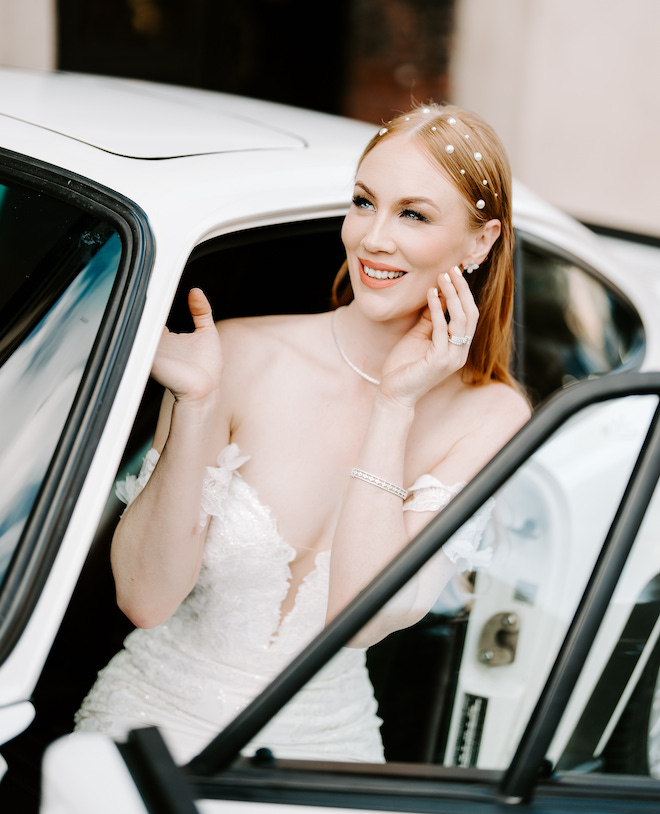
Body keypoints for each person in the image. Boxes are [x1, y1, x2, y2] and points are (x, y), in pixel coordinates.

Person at [74, 102, 531, 764]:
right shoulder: (237, 353)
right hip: (150, 724)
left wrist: (395, 406)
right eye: (363, 202)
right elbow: (144, 598)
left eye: (414, 214)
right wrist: (196, 403)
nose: (374, 237)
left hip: (326, 753)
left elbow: (362, 617)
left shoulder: (491, 415)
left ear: (480, 242)